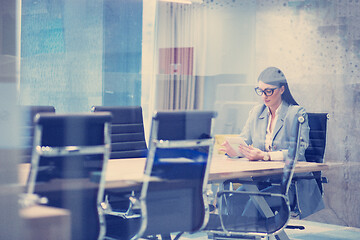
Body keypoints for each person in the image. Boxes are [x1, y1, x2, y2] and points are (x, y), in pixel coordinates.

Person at [220, 66, 324, 219]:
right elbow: (245, 140)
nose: (264, 96)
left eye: (269, 91)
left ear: (282, 89)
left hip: (288, 184)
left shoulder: (296, 113)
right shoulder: (256, 112)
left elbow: (298, 151)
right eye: (260, 91)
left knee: (252, 205)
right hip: (262, 180)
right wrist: (235, 149)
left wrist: (265, 156)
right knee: (234, 199)